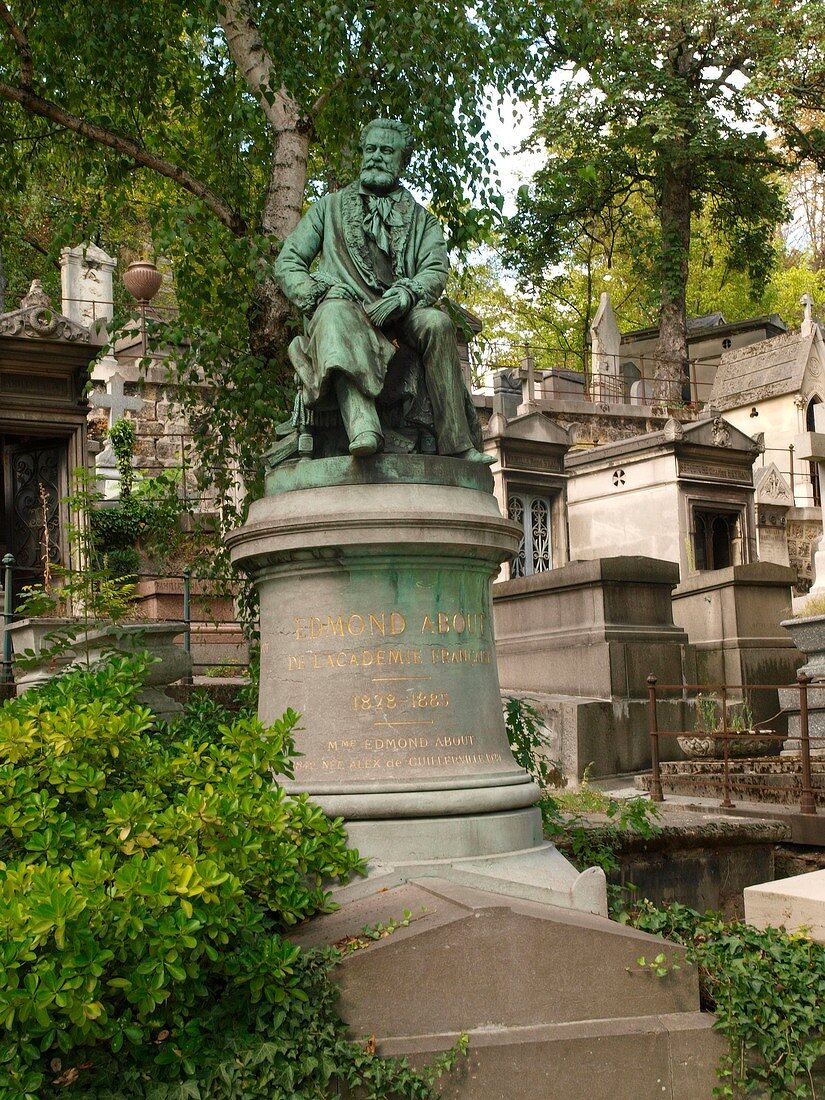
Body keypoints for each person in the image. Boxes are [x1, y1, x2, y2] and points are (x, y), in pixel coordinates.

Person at [274, 117, 492, 463]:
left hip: (399, 316)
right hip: (344, 310)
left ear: (401, 161)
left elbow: (434, 270)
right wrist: (318, 290)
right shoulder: (328, 209)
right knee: (333, 312)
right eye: (371, 149)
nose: (376, 156)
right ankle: (363, 425)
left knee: (438, 324)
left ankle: (457, 444)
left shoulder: (423, 220)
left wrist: (406, 295)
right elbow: (288, 262)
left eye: (386, 151)